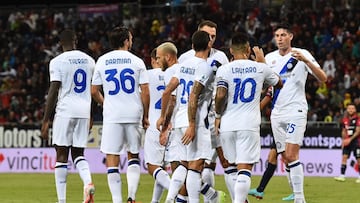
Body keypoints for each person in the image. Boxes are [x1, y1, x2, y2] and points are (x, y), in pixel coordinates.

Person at [263, 23, 327, 203]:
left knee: (291, 155)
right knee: (284, 156)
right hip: (276, 113)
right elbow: (266, 85)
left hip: (295, 110)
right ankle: (296, 195)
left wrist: (306, 61)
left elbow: (323, 78)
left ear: (291, 36)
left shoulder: (301, 54)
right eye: (277, 35)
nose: (280, 38)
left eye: (283, 35)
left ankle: (300, 198)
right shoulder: (269, 58)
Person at [214, 32, 282, 203]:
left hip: (228, 124)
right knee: (245, 169)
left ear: (231, 50)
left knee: (232, 168)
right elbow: (278, 83)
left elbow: (220, 95)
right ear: (248, 49)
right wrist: (261, 60)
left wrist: (217, 114)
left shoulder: (224, 69)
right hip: (248, 124)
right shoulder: (260, 68)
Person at [157, 30, 224, 203]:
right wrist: (192, 124)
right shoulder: (205, 67)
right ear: (209, 45)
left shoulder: (182, 65)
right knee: (196, 165)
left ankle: (170, 198)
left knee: (183, 163)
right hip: (194, 121)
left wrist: (164, 120)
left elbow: (166, 92)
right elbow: (194, 95)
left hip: (178, 121)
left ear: (193, 45)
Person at [91, 26, 150, 203]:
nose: (132, 41)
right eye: (130, 38)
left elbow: (94, 91)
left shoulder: (102, 60)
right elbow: (145, 91)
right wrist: (145, 115)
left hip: (112, 115)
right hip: (133, 114)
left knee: (112, 158)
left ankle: (117, 200)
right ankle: (131, 197)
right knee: (133, 155)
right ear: (126, 41)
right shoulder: (137, 61)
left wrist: (105, 103)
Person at [178, 20, 233, 202]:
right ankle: (208, 197)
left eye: (214, 36)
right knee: (193, 164)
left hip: (216, 117)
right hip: (194, 117)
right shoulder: (186, 58)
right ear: (198, 34)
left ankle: (213, 197)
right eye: (207, 35)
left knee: (217, 162)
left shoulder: (221, 57)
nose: (210, 39)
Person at [41, 29, 96, 203]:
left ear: (60, 43)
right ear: (76, 40)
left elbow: (53, 90)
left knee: (61, 155)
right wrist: (91, 114)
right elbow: (93, 90)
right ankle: (88, 183)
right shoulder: (90, 61)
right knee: (79, 153)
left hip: (65, 111)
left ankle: (62, 200)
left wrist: (45, 120)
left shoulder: (57, 61)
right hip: (83, 111)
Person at [143, 47, 171, 203]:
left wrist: (144, 116)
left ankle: (176, 191)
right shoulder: (174, 74)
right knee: (163, 169)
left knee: (152, 167)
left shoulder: (148, 75)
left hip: (155, 125)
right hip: (172, 126)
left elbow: (143, 97)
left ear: (153, 60)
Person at [334, 103, 360, 183]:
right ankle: (342, 176)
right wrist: (343, 140)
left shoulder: (358, 119)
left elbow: (358, 131)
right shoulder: (345, 119)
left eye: (352, 108)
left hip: (356, 142)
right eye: (349, 108)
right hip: (347, 142)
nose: (351, 110)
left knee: (358, 159)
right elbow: (344, 131)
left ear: (355, 110)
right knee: (344, 157)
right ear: (347, 110)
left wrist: (350, 139)